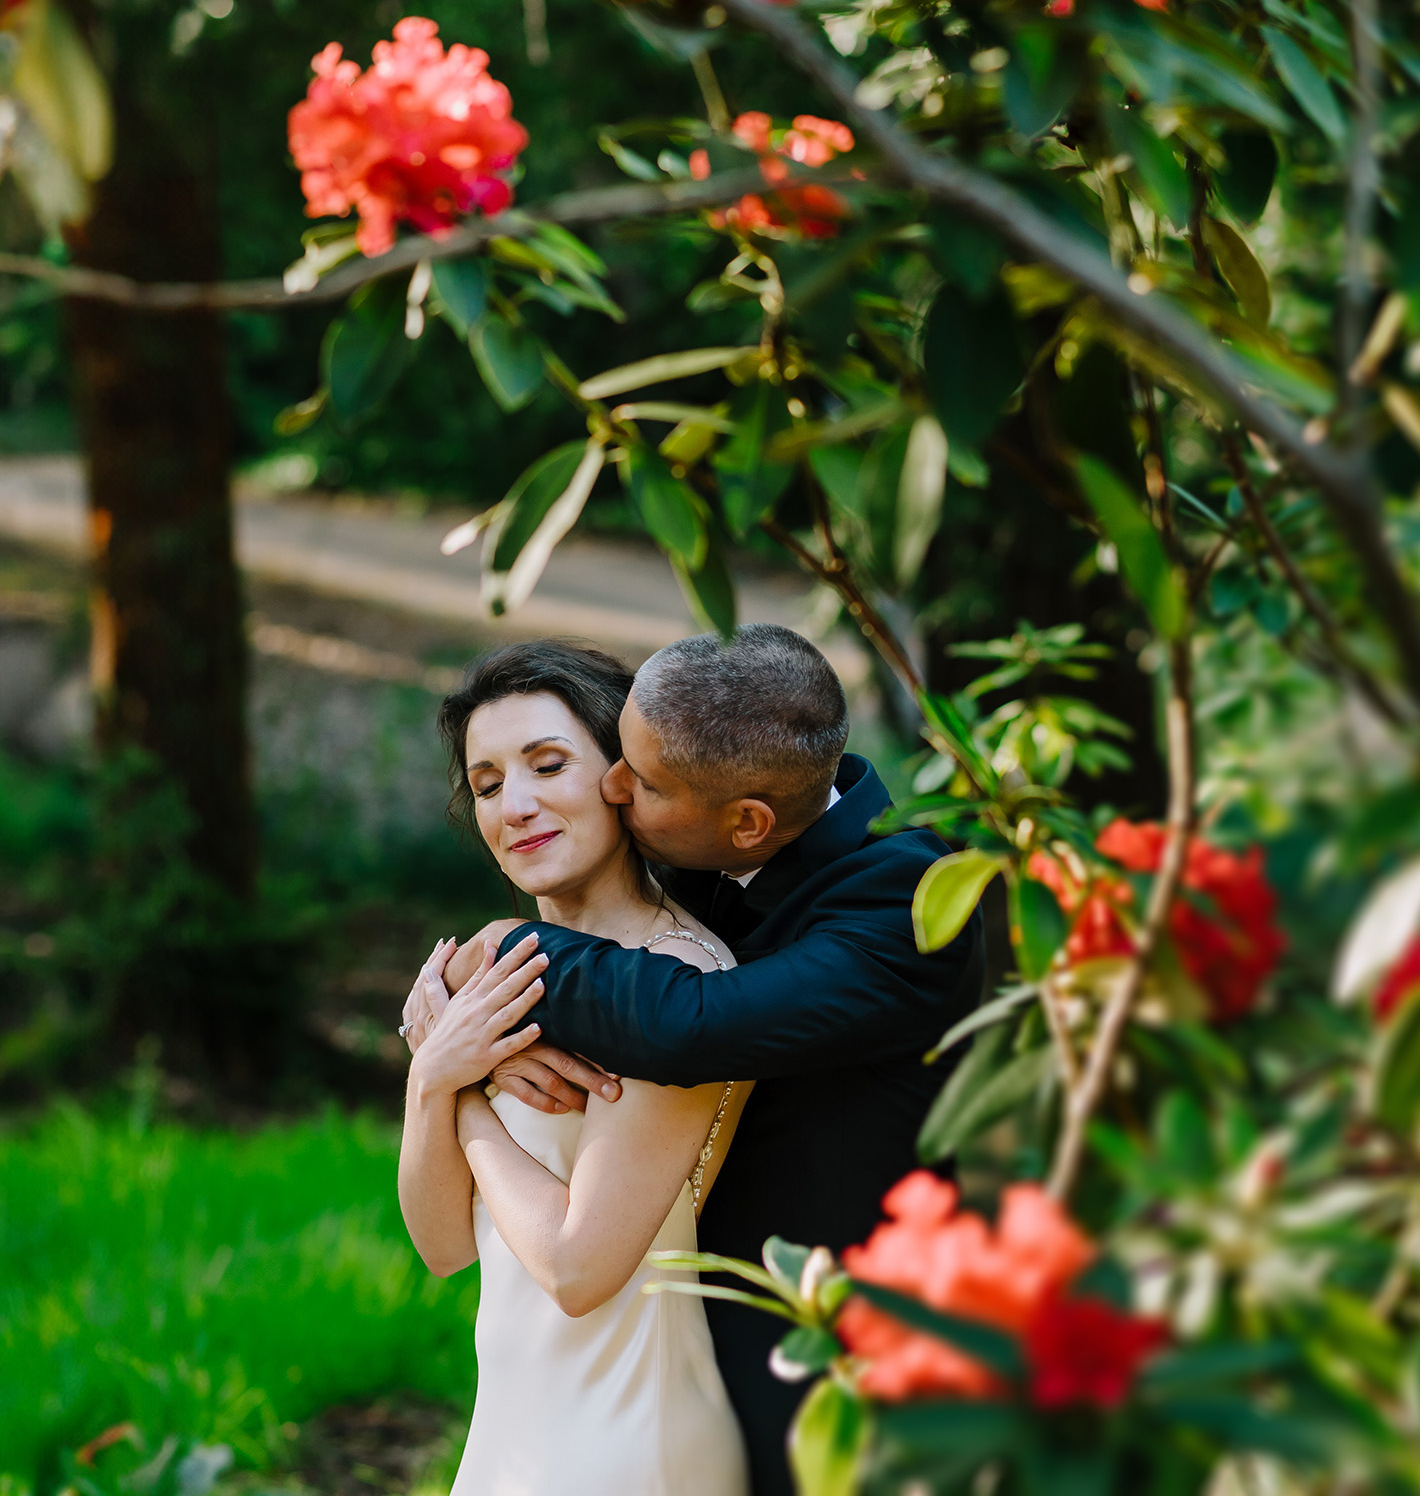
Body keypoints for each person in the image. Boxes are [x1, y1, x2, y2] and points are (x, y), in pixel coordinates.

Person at [417, 622, 985, 1496]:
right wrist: (455, 1037)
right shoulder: (709, 839)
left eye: (638, 780)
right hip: (644, 1347)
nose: (612, 786)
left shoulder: (902, 903)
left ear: (747, 822)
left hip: (836, 1364)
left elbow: (691, 1024)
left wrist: (495, 960)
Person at [398, 639, 749, 1496]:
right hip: (513, 1431)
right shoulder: (498, 970)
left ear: (622, 776)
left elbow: (578, 1268)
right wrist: (430, 1078)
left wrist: (461, 1088)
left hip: (633, 1434)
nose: (514, 804)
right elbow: (444, 1245)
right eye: (485, 783)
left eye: (546, 764)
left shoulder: (679, 986)